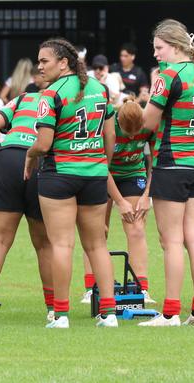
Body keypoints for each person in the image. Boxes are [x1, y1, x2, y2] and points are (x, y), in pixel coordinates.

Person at [24, 38, 118, 328]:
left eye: (44, 61)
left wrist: (29, 157)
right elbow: (110, 137)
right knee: (97, 246)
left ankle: (61, 315)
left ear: (63, 62)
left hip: (60, 174)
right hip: (94, 174)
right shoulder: (99, 89)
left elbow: (43, 143)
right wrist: (101, 163)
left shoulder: (50, 93)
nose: (39, 66)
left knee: (62, 245)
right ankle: (110, 314)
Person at [139, 19, 194, 327]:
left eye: (159, 48)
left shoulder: (168, 76)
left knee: (171, 241)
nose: (157, 54)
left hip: (172, 164)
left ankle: (171, 312)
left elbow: (148, 123)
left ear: (174, 46)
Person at [0, 79, 53, 324]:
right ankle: (52, 308)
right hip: (38, 161)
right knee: (45, 244)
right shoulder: (61, 98)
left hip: (7, 158)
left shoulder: (24, 99)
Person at [81, 99, 155, 305]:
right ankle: (91, 288)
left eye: (136, 132)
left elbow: (156, 160)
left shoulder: (150, 124)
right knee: (97, 230)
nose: (132, 137)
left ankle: (141, 288)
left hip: (133, 174)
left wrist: (146, 194)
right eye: (126, 132)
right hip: (104, 174)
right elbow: (103, 165)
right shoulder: (108, 125)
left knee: (136, 228)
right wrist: (120, 201)